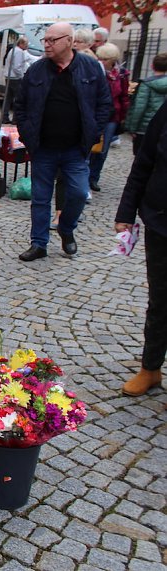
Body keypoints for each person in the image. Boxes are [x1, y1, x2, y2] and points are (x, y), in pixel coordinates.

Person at [15, 22, 111, 262]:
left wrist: (94, 131)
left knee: (78, 193)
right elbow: (21, 105)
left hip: (75, 148)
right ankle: (39, 243)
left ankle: (66, 228)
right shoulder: (37, 70)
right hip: (43, 147)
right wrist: (26, 132)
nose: (47, 45)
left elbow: (103, 103)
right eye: (45, 40)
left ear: (69, 40)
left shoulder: (89, 67)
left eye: (52, 40)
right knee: (40, 199)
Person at [113, 101, 167, 396]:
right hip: (161, 222)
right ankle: (150, 368)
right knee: (160, 301)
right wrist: (126, 211)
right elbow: (144, 161)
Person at [88, 43, 129, 193]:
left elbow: (124, 96)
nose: (102, 61)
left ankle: (94, 178)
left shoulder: (121, 74)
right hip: (95, 114)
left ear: (112, 60)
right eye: (100, 58)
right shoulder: (96, 71)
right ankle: (84, 176)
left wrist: (123, 117)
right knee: (89, 147)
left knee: (102, 150)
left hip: (112, 116)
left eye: (105, 59)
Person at [125, 52, 167, 156]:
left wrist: (133, 128)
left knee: (141, 156)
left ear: (152, 66)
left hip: (144, 128)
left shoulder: (146, 84)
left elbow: (139, 108)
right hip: (163, 128)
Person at [1, 37, 36, 124]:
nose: (27, 46)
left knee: (7, 98)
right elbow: (17, 67)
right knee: (18, 99)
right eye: (26, 44)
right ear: (21, 44)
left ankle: (4, 117)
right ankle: (15, 119)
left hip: (8, 76)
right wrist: (22, 76)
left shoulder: (12, 50)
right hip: (15, 78)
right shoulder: (19, 52)